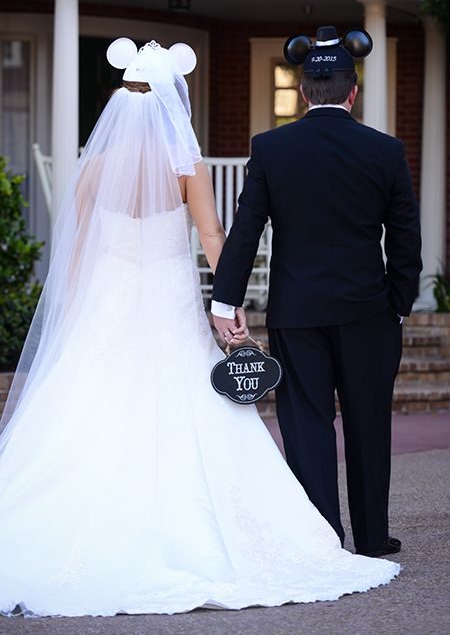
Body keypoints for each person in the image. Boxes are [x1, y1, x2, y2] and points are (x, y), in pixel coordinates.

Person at [0, 37, 399, 619]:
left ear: (122, 100)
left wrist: (79, 312)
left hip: (106, 307)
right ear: (171, 103)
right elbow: (216, 238)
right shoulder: (184, 167)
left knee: (89, 404)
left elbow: (77, 250)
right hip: (166, 304)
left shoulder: (94, 168)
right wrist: (228, 303)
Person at [212, 25, 422, 558]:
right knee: (369, 421)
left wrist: (224, 301)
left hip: (297, 310)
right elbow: (405, 240)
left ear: (304, 90)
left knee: (306, 424)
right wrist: (399, 304)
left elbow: (246, 229)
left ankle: (323, 541)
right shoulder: (385, 151)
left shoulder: (271, 149)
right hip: (368, 310)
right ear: (353, 92)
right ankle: (373, 537)